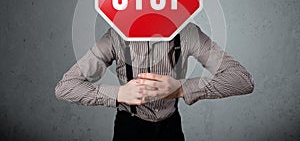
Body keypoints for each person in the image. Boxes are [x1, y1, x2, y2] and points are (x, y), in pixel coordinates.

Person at [55, 23, 254, 141]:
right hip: (129, 130)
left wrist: (181, 88)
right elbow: (66, 87)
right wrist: (118, 94)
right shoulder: (115, 36)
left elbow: (242, 80)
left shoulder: (187, 33)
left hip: (171, 129)